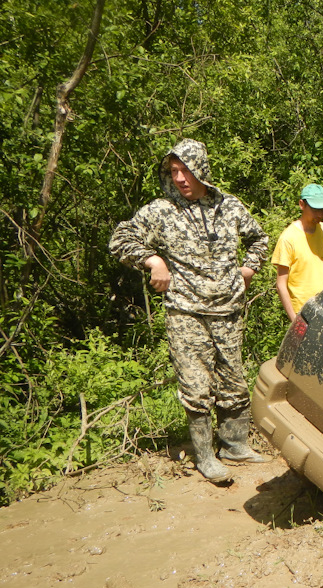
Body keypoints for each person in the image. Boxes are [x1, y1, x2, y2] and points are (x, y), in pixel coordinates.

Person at [109, 139, 269, 481]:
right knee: (196, 387)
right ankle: (205, 456)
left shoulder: (230, 206)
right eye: (174, 171)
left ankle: (235, 445)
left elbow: (259, 238)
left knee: (234, 382)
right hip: (186, 312)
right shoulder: (161, 210)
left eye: (186, 170)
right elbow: (120, 239)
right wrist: (153, 260)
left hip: (228, 310)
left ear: (202, 171)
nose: (180, 178)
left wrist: (249, 270)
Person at [272, 183, 323, 323]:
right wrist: (295, 321)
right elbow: (281, 285)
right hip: (304, 314)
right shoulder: (288, 238)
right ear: (302, 204)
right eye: (315, 209)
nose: (320, 214)